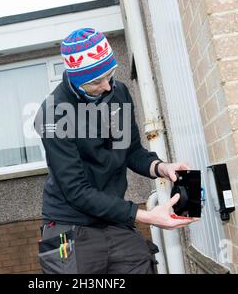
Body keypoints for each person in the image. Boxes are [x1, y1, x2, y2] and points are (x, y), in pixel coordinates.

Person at [34, 28, 198, 274]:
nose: (107, 86)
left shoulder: (118, 93)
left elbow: (130, 150)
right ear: (76, 80)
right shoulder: (52, 113)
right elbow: (77, 191)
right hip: (69, 223)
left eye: (110, 75)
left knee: (142, 262)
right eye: (96, 82)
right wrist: (146, 216)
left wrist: (161, 167)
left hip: (112, 218)